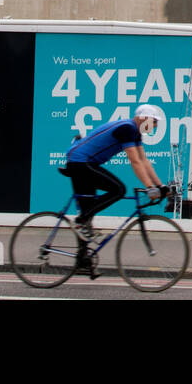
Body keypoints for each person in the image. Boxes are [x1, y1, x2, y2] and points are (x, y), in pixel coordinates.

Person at [63, 104, 167, 278]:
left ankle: (82, 262)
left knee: (87, 213)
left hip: (84, 162)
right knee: (118, 190)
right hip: (80, 162)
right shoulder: (127, 128)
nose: (155, 126)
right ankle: (81, 221)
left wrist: (160, 185)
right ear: (143, 118)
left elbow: (144, 160)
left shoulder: (134, 131)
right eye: (154, 122)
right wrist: (150, 187)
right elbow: (135, 162)